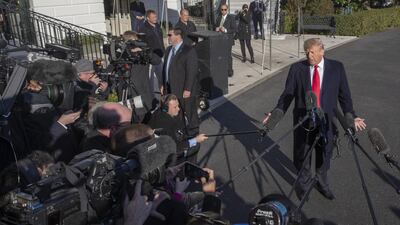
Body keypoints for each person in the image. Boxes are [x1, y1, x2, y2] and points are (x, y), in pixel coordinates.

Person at [262, 38, 367, 200]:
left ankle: (321, 181)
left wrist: (351, 116)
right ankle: (303, 186)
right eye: (306, 52)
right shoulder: (297, 69)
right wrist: (276, 112)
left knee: (325, 154)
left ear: (322, 51)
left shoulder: (337, 68)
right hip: (304, 121)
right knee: (302, 156)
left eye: (312, 52)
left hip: (326, 121)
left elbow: (344, 96)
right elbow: (287, 95)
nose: (309, 55)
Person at [147, 94, 208, 164]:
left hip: (157, 148)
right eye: (175, 107)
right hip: (164, 156)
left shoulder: (157, 113)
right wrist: (195, 140)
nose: (178, 109)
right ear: (166, 108)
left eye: (178, 106)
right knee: (195, 146)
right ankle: (189, 168)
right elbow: (176, 147)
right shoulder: (168, 123)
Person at [162, 27, 199, 136]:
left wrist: (187, 89)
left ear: (178, 36)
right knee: (177, 113)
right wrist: (163, 84)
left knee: (190, 113)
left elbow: (192, 71)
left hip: (184, 90)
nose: (168, 37)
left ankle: (194, 135)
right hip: (170, 88)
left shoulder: (189, 50)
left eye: (170, 35)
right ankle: (181, 133)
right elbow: (166, 68)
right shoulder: (169, 50)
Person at [215, 4, 236, 77]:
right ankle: (222, 69)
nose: (223, 11)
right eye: (222, 10)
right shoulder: (218, 18)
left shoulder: (231, 18)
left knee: (228, 56)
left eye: (225, 9)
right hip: (219, 40)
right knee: (220, 56)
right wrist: (216, 29)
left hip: (228, 40)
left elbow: (234, 29)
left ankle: (230, 71)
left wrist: (226, 30)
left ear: (227, 9)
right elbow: (214, 26)